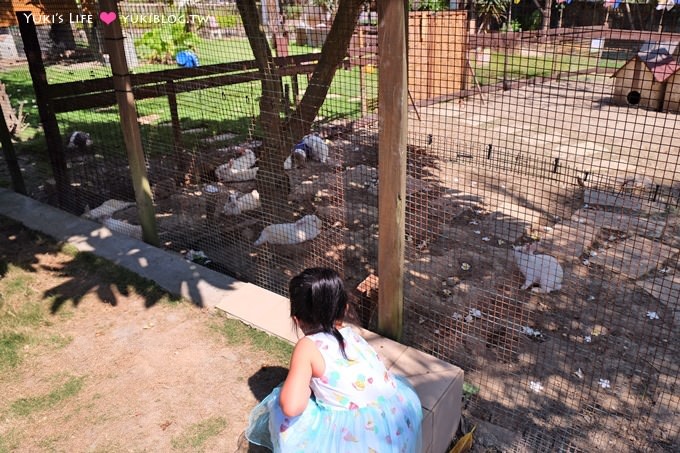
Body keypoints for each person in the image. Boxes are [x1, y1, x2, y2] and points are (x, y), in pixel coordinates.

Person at [245, 268, 422, 452]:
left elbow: (291, 407)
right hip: (396, 419)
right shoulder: (352, 335)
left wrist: (305, 391)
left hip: (359, 439)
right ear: (345, 309)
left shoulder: (307, 346)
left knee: (280, 409)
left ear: (296, 320)